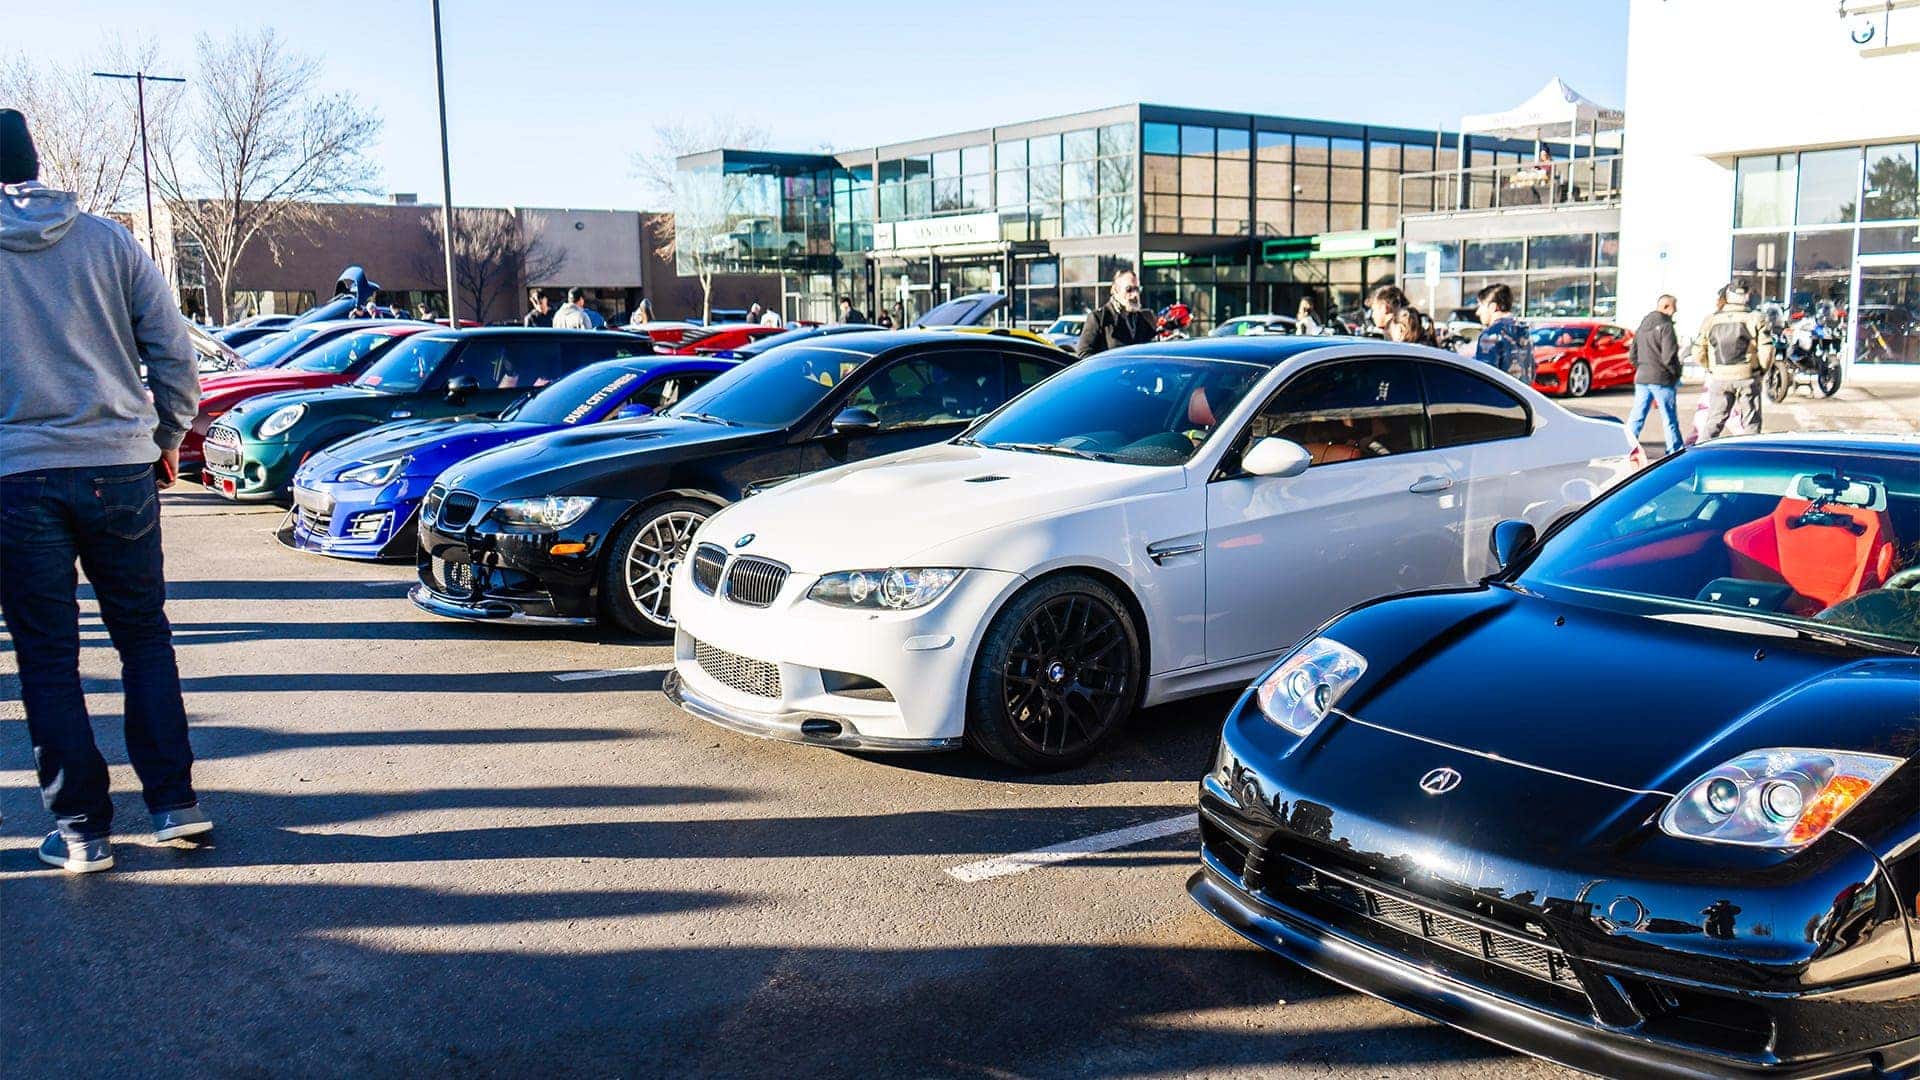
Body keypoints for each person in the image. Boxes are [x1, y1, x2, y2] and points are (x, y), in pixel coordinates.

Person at [0, 109, 211, 872]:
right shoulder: (108, 240)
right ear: (35, 162)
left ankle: (84, 831)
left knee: (48, 659)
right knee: (143, 637)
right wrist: (163, 441)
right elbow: (174, 353)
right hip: (119, 467)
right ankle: (174, 805)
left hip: (16, 477)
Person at [1694, 280, 1774, 441]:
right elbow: (1767, 350)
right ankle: (1750, 460)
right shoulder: (1755, 318)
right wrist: (1761, 370)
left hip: (1719, 376)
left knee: (1714, 421)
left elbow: (1698, 351)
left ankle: (1701, 454)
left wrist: (1711, 368)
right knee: (1751, 423)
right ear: (1747, 295)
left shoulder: (1711, 320)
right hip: (1747, 375)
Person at [1626, 294, 1684, 455]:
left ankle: (1626, 446)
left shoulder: (1642, 326)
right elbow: (1669, 357)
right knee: (1669, 418)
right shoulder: (1666, 326)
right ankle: (1674, 451)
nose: (1676, 310)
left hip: (1643, 377)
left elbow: (1632, 355)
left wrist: (1643, 367)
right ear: (1666, 307)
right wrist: (1676, 374)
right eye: (1674, 307)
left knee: (1637, 416)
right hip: (1662, 379)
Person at [1076, 269, 1156, 357]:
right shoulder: (1099, 318)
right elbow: (1083, 353)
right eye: (1129, 289)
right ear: (1115, 290)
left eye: (1137, 289)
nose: (1135, 294)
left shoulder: (1142, 319)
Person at [1471, 283, 1532, 382]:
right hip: (1522, 395)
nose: (1478, 312)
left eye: (1480, 306)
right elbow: (1532, 372)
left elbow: (1484, 377)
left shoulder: (1491, 335)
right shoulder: (1526, 332)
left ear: (1492, 307)